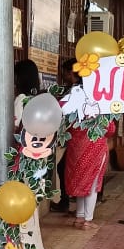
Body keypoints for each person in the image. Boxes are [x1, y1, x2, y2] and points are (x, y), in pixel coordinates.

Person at [51, 57, 79, 214]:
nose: (63, 76)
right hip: (72, 136)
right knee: (64, 167)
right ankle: (67, 201)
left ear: (71, 72)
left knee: (65, 168)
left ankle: (68, 201)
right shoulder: (72, 88)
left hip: (77, 137)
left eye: (65, 73)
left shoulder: (77, 90)